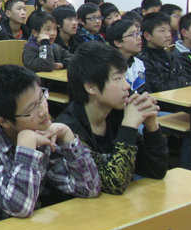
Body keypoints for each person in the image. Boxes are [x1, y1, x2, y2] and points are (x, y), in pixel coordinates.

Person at [0, 65, 100, 230]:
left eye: (42, 98)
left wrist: (67, 137)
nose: (43, 111)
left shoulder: (34, 126)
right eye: (31, 108)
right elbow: (19, 206)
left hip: (11, 224)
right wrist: (27, 146)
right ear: (4, 122)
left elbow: (89, 188)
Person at [57, 42, 168, 194]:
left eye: (125, 77)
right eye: (118, 78)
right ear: (91, 87)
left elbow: (156, 171)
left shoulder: (116, 114)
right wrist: (128, 127)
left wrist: (151, 124)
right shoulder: (69, 130)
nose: (127, 86)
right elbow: (115, 183)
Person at [138, 12, 191, 92]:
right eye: (162, 31)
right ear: (147, 36)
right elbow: (160, 88)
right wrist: (179, 81)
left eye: (169, 30)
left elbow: (186, 78)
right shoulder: (143, 60)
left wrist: (174, 82)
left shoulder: (170, 55)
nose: (168, 35)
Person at [105, 19, 148, 93]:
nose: (139, 38)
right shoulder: (110, 67)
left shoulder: (139, 63)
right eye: (133, 34)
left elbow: (147, 90)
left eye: (138, 33)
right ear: (118, 43)